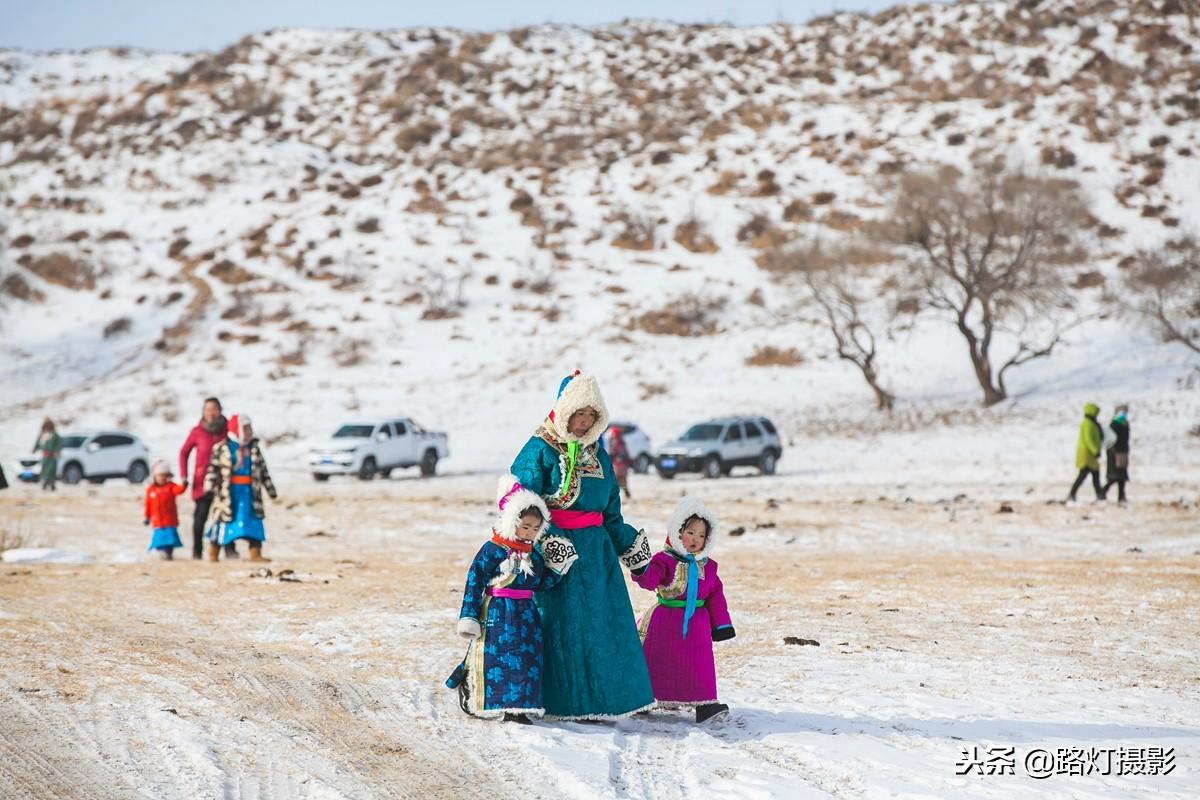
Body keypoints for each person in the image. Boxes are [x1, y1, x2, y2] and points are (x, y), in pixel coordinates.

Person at [509, 370, 656, 720]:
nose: (584, 422)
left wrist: (634, 555)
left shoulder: (599, 455)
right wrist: (547, 544)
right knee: (562, 630)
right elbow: (522, 504)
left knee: (602, 629)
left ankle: (607, 702)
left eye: (592, 415)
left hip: (598, 558)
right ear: (564, 412)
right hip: (555, 557)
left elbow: (611, 514)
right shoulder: (539, 450)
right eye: (579, 414)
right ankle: (564, 702)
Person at [449, 475, 579, 723]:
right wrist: (469, 615)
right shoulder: (494, 549)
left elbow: (539, 583)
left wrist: (558, 570)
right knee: (500, 659)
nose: (529, 532)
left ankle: (519, 707)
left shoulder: (533, 556)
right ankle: (491, 698)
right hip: (498, 613)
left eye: (534, 528)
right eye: (525, 526)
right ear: (512, 521)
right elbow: (475, 579)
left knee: (526, 659)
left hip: (526, 615)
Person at [633, 496, 735, 724]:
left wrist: (722, 625)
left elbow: (715, 596)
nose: (695, 539)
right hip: (664, 622)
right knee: (656, 660)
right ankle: (644, 698)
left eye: (702, 535)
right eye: (691, 533)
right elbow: (650, 579)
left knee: (700, 664)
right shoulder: (664, 560)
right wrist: (640, 566)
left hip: (697, 625)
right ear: (678, 532)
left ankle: (704, 703)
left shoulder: (708, 567)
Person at [203, 414, 276, 563]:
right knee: (223, 521)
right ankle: (213, 552)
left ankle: (255, 552)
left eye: (250, 427)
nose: (249, 431)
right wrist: (208, 486)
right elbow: (213, 469)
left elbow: (263, 471)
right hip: (228, 494)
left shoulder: (254, 448)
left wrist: (270, 490)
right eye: (246, 428)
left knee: (253, 522)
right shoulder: (222, 448)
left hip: (249, 493)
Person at [180, 398, 231, 559]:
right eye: (207, 409)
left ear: (220, 410)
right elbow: (184, 452)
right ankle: (197, 551)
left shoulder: (228, 429)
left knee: (226, 515)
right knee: (200, 517)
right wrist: (184, 475)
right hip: (202, 482)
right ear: (203, 411)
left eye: (214, 408)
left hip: (224, 482)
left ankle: (229, 549)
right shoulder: (197, 431)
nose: (211, 412)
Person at [144, 460, 187, 560]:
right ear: (155, 476)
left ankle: (169, 553)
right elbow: (148, 504)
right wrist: (147, 517)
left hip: (169, 520)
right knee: (159, 539)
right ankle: (161, 552)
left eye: (164, 475)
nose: (162, 478)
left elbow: (179, 490)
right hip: (157, 522)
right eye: (160, 475)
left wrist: (184, 485)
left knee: (170, 538)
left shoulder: (171, 487)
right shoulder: (151, 490)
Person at [1067, 402, 1104, 503]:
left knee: (1094, 475)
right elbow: (1088, 439)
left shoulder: (1092, 423)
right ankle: (1072, 494)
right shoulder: (1087, 423)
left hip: (1090, 454)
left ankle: (1100, 495)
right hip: (1086, 454)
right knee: (1084, 475)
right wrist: (1095, 450)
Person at [1102, 404, 1131, 505]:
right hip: (1114, 453)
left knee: (1122, 476)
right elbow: (1110, 440)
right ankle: (1103, 491)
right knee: (1115, 476)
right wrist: (1113, 451)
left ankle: (1121, 496)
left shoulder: (1125, 424)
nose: (1124, 415)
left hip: (1123, 452)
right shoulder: (1114, 424)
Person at [33, 418, 62, 492]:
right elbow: (38, 443)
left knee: (51, 471)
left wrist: (56, 452)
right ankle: (45, 483)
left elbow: (58, 444)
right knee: (45, 470)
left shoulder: (55, 435)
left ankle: (51, 484)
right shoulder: (43, 435)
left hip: (52, 456)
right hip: (45, 456)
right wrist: (34, 449)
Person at [607, 426, 633, 500]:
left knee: (617, 479)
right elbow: (624, 451)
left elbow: (613, 452)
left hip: (617, 463)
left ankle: (619, 493)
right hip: (621, 463)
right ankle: (625, 492)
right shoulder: (619, 440)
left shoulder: (614, 440)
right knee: (621, 479)